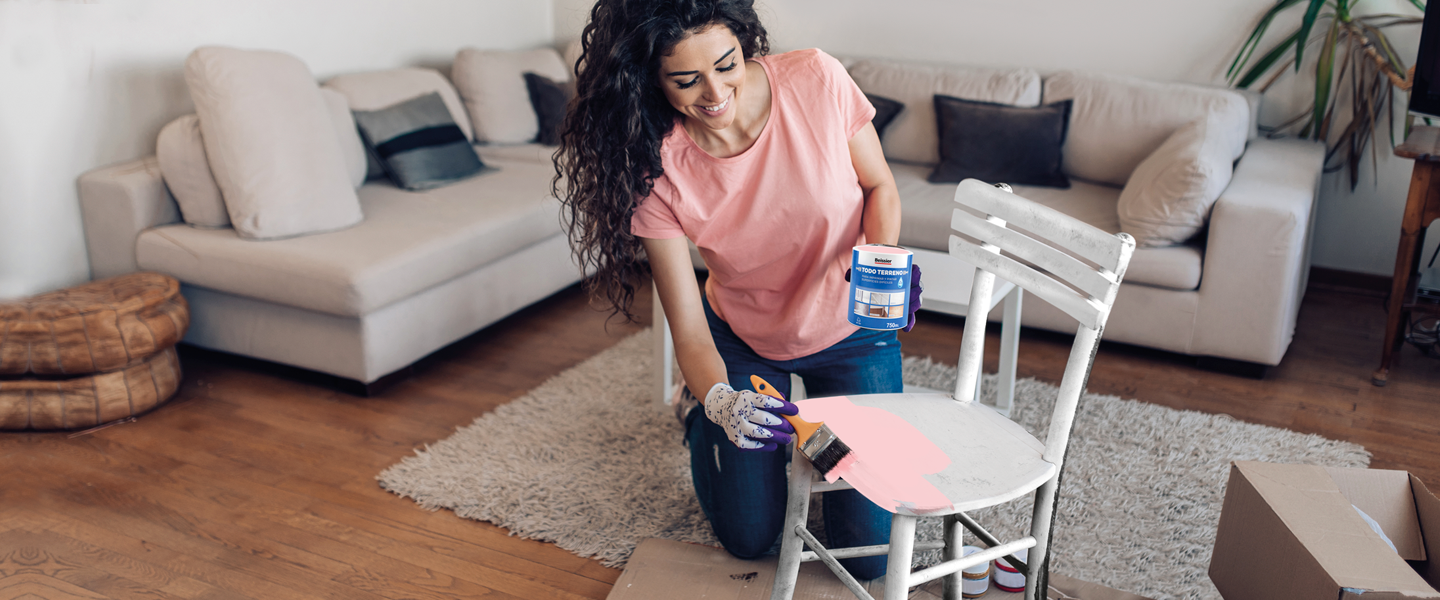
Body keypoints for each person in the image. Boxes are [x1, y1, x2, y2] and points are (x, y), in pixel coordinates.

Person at [552, 0, 921, 580]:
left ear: (746, 43)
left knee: (872, 554)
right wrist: (721, 401)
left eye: (727, 64)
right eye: (686, 80)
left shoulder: (816, 79)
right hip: (744, 343)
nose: (714, 92)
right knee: (749, 538)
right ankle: (695, 412)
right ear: (651, 78)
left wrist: (880, 259)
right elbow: (691, 332)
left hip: (852, 331)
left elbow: (879, 186)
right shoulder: (654, 164)